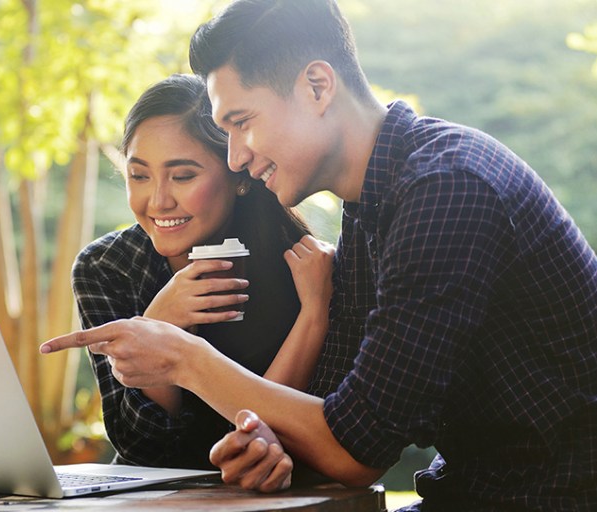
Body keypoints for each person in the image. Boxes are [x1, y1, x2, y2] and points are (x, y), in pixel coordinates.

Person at [42, 1, 597, 510]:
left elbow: (357, 450)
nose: (235, 157)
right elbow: (334, 412)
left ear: (316, 85)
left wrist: (187, 359)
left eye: (241, 123)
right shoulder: (372, 207)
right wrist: (267, 443)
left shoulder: (446, 187)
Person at [72, 73, 335, 470]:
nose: (158, 201)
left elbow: (281, 428)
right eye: (139, 175)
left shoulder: (307, 268)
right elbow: (140, 447)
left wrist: (313, 315)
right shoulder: (106, 268)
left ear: (238, 176)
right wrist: (159, 324)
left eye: (183, 176)